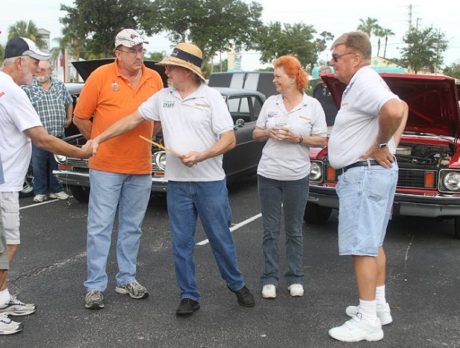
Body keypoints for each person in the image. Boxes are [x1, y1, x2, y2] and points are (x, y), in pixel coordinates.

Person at [87, 42, 256, 317]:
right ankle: (188, 295)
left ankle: (236, 284)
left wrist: (202, 155)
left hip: (210, 183)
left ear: (187, 71)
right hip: (177, 184)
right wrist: (100, 138)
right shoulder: (163, 97)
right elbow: (131, 120)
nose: (165, 70)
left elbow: (229, 139)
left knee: (220, 237)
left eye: (171, 67)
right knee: (181, 242)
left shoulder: (211, 97)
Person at [0, 36, 92, 335]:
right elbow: (40, 138)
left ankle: (2, 299)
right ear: (18, 62)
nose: (39, 67)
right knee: (7, 246)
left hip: (6, 181)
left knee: (6, 245)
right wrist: (82, 151)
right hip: (4, 184)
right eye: (34, 60)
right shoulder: (13, 92)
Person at [72, 29, 163, 310]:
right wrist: (98, 140)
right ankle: (95, 286)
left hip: (140, 166)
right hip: (106, 166)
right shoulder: (100, 76)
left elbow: (157, 120)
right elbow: (79, 117)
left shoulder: (154, 78)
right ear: (118, 53)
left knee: (132, 227)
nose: (139, 54)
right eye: (132, 50)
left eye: (141, 49)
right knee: (99, 227)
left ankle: (126, 279)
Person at [326, 31, 408, 342]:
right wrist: (388, 145)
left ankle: (368, 320)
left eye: (336, 57)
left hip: (363, 174)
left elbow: (394, 110)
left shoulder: (364, 80)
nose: (332, 63)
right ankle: (379, 308)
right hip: (371, 173)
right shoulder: (365, 83)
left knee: (362, 247)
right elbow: (403, 106)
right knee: (373, 243)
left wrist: (382, 145)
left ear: (355, 58)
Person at [252, 56, 328, 300]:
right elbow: (255, 133)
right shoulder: (271, 103)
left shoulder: (312, 106)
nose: (274, 80)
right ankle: (269, 278)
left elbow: (322, 139)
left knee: (294, 229)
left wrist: (298, 139)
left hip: (297, 176)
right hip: (268, 174)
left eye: (278, 76)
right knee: (270, 230)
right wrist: (268, 131)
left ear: (294, 78)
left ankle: (295, 277)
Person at [22, 60, 73, 203]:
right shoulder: (28, 88)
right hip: (39, 136)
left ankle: (57, 190)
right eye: (38, 70)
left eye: (44, 70)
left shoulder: (59, 85)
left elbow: (69, 102)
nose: (40, 73)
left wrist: (69, 118)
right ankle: (40, 191)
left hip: (58, 134)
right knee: (39, 165)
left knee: (57, 164)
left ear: (51, 70)